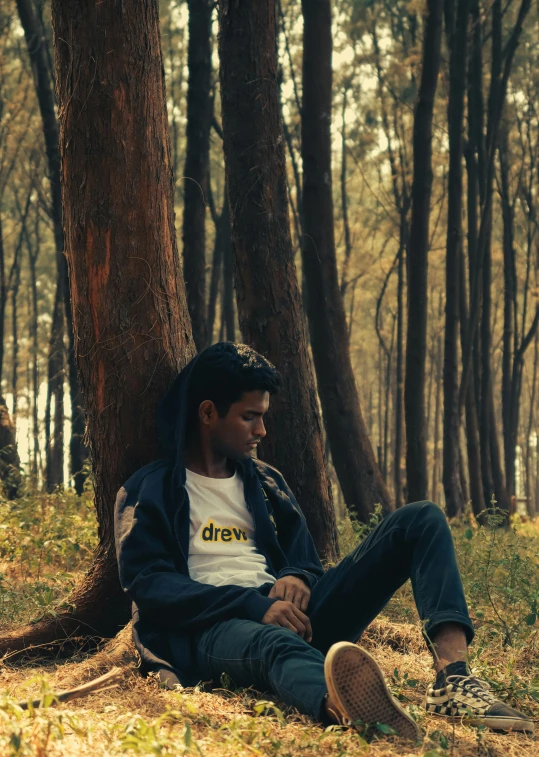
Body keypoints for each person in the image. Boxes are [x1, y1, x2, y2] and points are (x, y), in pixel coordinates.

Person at [114, 342, 534, 739]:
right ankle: (346, 706)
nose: (261, 430)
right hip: (215, 629)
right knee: (274, 643)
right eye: (249, 417)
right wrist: (255, 606)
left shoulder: (266, 483)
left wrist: (297, 576)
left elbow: (305, 560)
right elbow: (149, 585)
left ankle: (453, 679)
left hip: (298, 617)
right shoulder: (150, 490)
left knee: (419, 518)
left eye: (263, 416)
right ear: (208, 413)